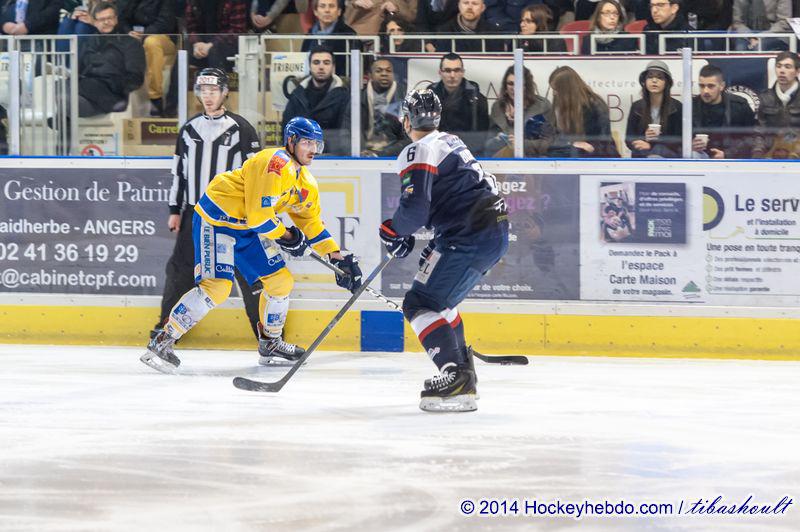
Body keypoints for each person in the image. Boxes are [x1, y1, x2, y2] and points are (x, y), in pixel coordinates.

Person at [143, 117, 363, 371]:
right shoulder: (276, 162)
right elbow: (260, 217)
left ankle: (270, 343)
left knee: (280, 281)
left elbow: (311, 223)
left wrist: (336, 256)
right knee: (217, 288)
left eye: (317, 144)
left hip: (247, 227)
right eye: (307, 142)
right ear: (291, 141)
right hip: (217, 220)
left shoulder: (306, 183)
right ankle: (163, 340)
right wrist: (288, 237)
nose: (313, 149)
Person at [378, 89, 509, 412]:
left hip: (469, 234)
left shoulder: (419, 149)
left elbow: (415, 209)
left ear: (407, 121)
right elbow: (456, 197)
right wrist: (436, 242)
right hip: (489, 230)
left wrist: (393, 230)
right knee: (439, 301)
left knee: (419, 303)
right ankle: (462, 369)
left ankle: (455, 375)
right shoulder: (450, 141)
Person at [151, 68, 263, 348]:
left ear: (224, 92)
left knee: (249, 274)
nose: (208, 96)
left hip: (232, 216)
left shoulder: (241, 128)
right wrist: (175, 210)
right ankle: (165, 330)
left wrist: (256, 212)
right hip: (195, 214)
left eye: (214, 90)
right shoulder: (189, 129)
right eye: (203, 90)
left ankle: (267, 336)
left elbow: (257, 176)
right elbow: (179, 172)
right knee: (180, 271)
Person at [77, 2, 146, 117]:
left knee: (78, 88)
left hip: (113, 92)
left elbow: (136, 78)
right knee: (63, 85)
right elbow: (79, 69)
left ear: (116, 19)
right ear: (94, 22)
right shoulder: (89, 41)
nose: (106, 22)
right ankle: (66, 117)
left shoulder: (130, 43)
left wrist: (115, 86)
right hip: (88, 91)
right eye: (101, 19)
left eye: (109, 18)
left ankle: (64, 117)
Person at [282, 46, 351, 155]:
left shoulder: (344, 96)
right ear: (309, 66)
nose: (321, 67)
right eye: (316, 62)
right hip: (300, 156)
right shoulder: (297, 96)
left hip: (334, 157)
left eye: (326, 63)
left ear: (333, 67)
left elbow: (345, 134)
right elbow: (287, 129)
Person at [116, 0, 177, 117]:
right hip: (134, 36)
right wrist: (128, 32)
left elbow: (165, 23)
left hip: (163, 37)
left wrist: (144, 34)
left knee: (151, 43)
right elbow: (121, 19)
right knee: (125, 45)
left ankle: (155, 97)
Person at [545, 65, 619, 157]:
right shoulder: (559, 106)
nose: (554, 93)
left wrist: (581, 144)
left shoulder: (594, 105)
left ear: (567, 90)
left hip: (596, 157)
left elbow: (602, 140)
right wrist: (570, 143)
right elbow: (551, 136)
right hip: (568, 154)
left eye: (557, 89)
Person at [427, 52, 490, 157]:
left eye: (456, 70)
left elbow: (481, 137)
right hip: (436, 154)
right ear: (440, 72)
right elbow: (425, 132)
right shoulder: (428, 97)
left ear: (462, 72)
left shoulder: (478, 100)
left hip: (468, 154)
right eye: (448, 70)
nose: (452, 75)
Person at [484, 65, 551, 157]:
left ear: (527, 86)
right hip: (503, 160)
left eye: (519, 84)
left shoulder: (542, 106)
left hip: (534, 160)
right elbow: (488, 144)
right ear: (505, 86)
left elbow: (550, 143)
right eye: (510, 83)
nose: (514, 88)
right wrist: (497, 140)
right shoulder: (498, 107)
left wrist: (521, 143)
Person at [692, 64, 756, 159]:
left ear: (722, 86)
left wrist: (727, 154)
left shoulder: (739, 105)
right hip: (699, 159)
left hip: (732, 160)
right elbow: (677, 139)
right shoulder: (691, 107)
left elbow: (752, 137)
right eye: (702, 86)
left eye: (711, 86)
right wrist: (689, 145)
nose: (705, 91)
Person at [625, 60, 682, 158]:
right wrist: (644, 138)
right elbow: (628, 139)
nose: (654, 80)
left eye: (660, 77)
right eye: (650, 77)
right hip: (642, 155)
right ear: (644, 81)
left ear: (666, 82)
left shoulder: (677, 107)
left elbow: (680, 140)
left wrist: (653, 144)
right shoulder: (636, 106)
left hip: (668, 157)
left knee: (656, 152)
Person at [754, 51, 800, 158]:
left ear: (797, 71)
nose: (782, 71)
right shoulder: (765, 98)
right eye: (779, 66)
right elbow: (759, 132)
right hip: (772, 153)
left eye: (787, 67)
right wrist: (757, 154)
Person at [361, 58, 408, 156]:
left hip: (393, 154)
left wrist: (383, 153)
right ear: (370, 75)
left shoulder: (405, 98)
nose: (384, 74)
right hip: (363, 152)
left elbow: (410, 137)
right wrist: (360, 151)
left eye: (388, 71)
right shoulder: (358, 98)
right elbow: (347, 131)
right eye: (379, 71)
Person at [301, 0, 359, 75]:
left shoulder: (349, 34)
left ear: (339, 11)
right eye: (322, 6)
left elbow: (355, 67)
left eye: (331, 6)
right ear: (315, 11)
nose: (327, 10)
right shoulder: (310, 34)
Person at [432, 0, 505, 53]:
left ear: (483, 8)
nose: (470, 7)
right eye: (465, 3)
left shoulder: (494, 32)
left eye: (475, 3)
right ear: (459, 6)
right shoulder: (444, 31)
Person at [344, 0, 416, 36]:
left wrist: (397, 9)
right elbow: (344, 11)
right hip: (361, 37)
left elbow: (413, 16)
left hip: (397, 39)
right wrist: (355, 2)